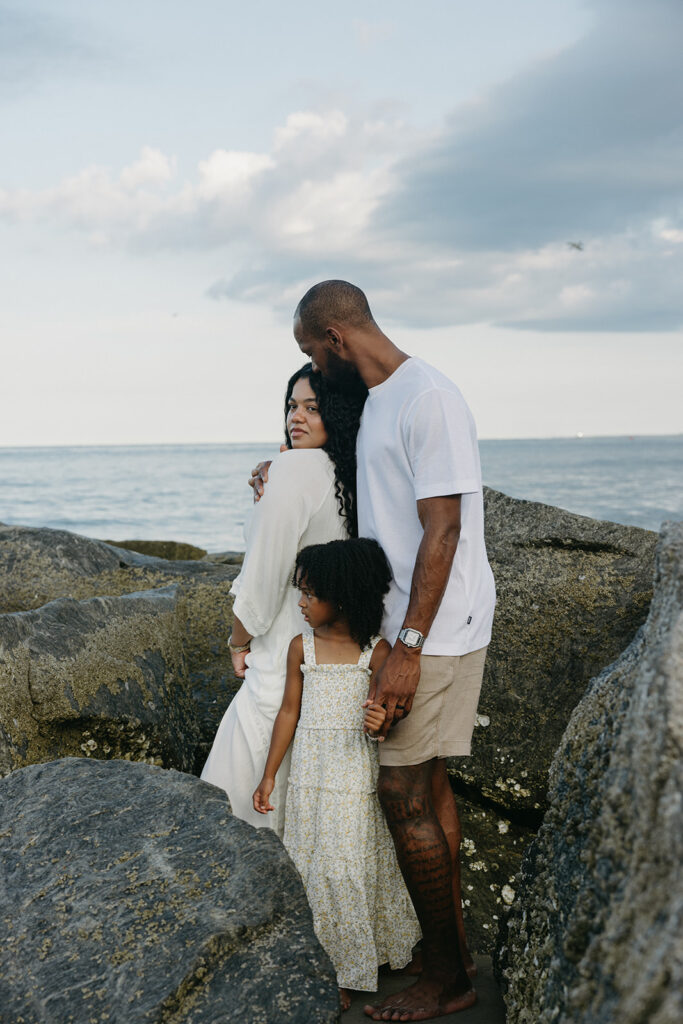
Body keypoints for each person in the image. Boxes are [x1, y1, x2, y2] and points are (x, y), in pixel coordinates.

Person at [252, 280, 496, 1020]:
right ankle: (441, 948)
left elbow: (443, 530)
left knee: (400, 793)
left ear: (331, 337)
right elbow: (369, 502)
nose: (312, 369)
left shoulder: (428, 397)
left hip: (438, 632)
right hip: (409, 630)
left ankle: (448, 979)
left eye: (308, 352)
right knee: (430, 788)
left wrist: (409, 647)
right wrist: (274, 474)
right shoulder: (384, 398)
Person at [253, 538, 421, 1013]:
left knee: (351, 863)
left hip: (353, 776)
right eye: (300, 593)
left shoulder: (377, 652)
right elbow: (289, 712)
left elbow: (384, 715)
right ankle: (329, 964)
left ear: (342, 596)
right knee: (314, 867)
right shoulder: (300, 648)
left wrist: (380, 721)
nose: (302, 603)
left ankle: (362, 958)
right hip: (310, 776)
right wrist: (269, 776)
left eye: (310, 594)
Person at [201, 363, 366, 835]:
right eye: (292, 406)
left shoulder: (295, 469)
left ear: (337, 413)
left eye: (313, 407)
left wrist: (238, 642)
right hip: (325, 667)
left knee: (230, 816)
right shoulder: (349, 476)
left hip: (276, 667)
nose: (298, 416)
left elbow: (264, 577)